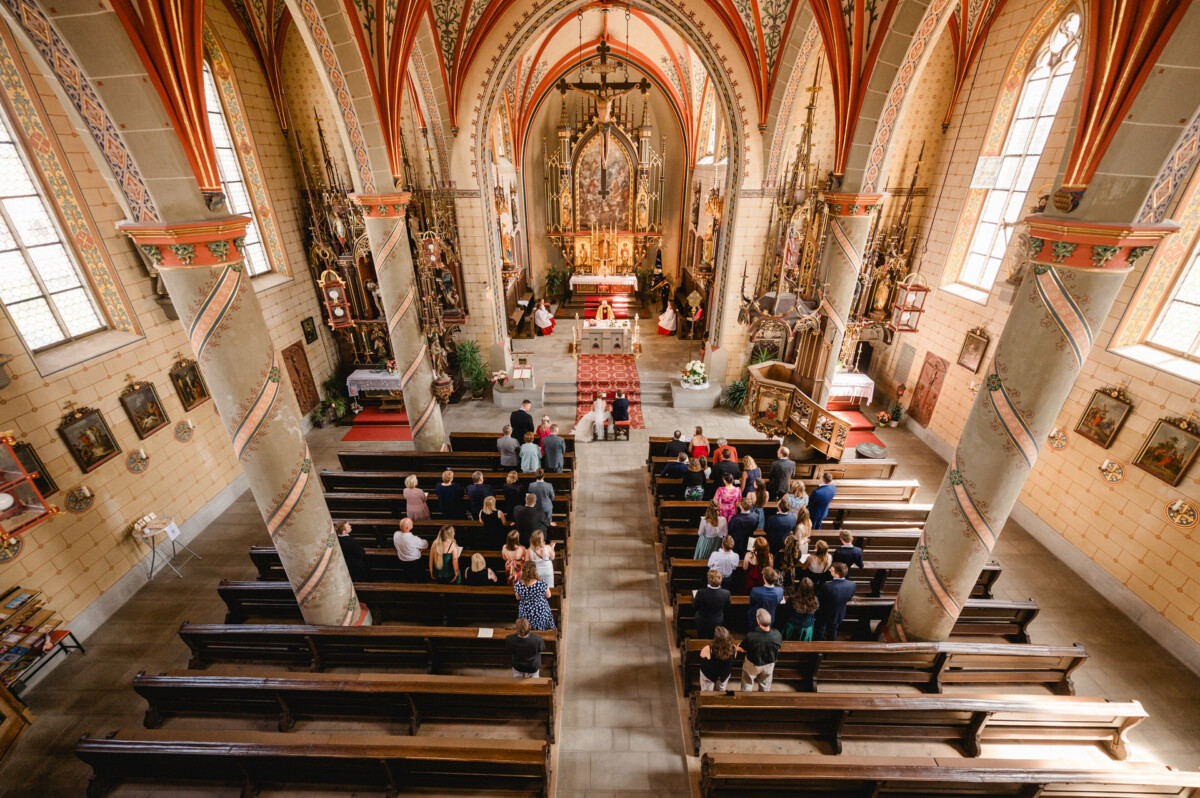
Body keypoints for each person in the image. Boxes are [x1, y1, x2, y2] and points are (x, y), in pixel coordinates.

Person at [741, 608, 783, 692]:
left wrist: (738, 647)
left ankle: (745, 700)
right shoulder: (777, 634)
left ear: (758, 621)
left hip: (753, 664)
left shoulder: (751, 636)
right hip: (769, 665)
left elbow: (743, 649)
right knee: (765, 685)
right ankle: (763, 700)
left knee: (747, 683)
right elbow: (778, 647)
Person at [814, 562, 856, 640]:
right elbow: (849, 598)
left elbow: (820, 599)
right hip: (839, 612)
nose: (830, 570)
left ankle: (819, 645)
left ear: (837, 574)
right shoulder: (852, 585)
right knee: (833, 630)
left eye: (832, 570)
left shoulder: (827, 586)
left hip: (825, 612)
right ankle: (830, 644)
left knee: (820, 629)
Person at [515, 560, 555, 631]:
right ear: (535, 571)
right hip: (540, 611)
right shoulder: (542, 583)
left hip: (526, 612)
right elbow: (548, 596)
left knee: (525, 628)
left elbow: (518, 598)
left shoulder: (518, 585)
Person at [693, 568, 732, 638]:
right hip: (717, 620)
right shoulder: (726, 593)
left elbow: (695, 606)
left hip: (702, 619)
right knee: (713, 637)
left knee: (702, 636)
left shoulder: (701, 592)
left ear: (708, 580)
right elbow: (727, 607)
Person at [698, 626, 737, 691]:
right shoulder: (733, 648)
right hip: (724, 674)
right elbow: (734, 658)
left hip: (709, 674)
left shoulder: (709, 649)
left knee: (707, 692)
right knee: (721, 691)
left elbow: (701, 655)